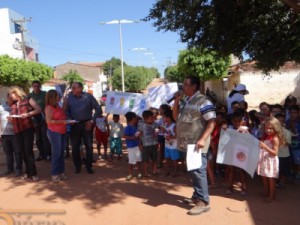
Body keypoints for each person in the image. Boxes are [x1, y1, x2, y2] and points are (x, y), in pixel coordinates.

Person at [173, 76, 216, 216]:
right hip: (187, 144)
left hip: (197, 144)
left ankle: (203, 202)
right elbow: (176, 118)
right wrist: (176, 102)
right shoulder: (187, 101)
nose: (183, 87)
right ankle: (197, 195)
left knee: (198, 171)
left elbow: (212, 121)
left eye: (186, 84)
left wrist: (203, 139)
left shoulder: (203, 101)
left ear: (194, 86)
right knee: (193, 170)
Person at [65, 82, 102, 174]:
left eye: (74, 88)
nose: (72, 90)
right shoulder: (69, 98)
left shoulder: (88, 97)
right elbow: (66, 110)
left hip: (87, 124)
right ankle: (77, 166)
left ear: (80, 88)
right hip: (74, 125)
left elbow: (98, 108)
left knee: (89, 146)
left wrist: (92, 121)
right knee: (75, 147)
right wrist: (69, 119)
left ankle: (89, 166)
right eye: (72, 88)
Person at [8, 86, 42, 181]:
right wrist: (10, 118)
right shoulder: (13, 105)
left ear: (17, 93)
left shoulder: (28, 100)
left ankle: (34, 173)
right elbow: (13, 118)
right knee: (22, 151)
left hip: (27, 128)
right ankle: (28, 172)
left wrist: (28, 114)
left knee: (28, 151)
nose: (11, 97)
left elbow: (38, 109)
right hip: (17, 130)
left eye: (12, 95)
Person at [258, 117, 286, 203]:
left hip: (271, 161)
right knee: (264, 176)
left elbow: (275, 153)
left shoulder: (275, 138)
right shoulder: (266, 136)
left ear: (276, 128)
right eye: (267, 128)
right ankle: (267, 192)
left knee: (271, 179)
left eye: (271, 128)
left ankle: (272, 196)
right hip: (265, 159)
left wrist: (265, 147)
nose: (268, 130)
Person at [45, 90, 70, 183]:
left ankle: (61, 171)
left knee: (61, 153)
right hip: (54, 132)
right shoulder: (49, 108)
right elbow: (48, 121)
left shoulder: (57, 106)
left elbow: (61, 113)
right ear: (52, 98)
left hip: (62, 131)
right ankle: (54, 173)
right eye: (57, 96)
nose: (58, 97)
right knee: (56, 153)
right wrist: (63, 122)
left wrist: (65, 103)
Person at [226, 111, 248, 196]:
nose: (237, 123)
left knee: (242, 171)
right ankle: (230, 187)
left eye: (239, 121)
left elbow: (249, 140)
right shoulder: (229, 129)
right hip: (232, 152)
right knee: (231, 170)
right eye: (235, 121)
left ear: (242, 121)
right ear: (232, 121)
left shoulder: (245, 130)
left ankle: (244, 188)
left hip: (242, 153)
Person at [28, 80, 51, 161]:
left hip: (45, 117)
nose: (36, 88)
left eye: (38, 86)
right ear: (32, 86)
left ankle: (48, 154)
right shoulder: (30, 96)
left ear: (40, 86)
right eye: (35, 86)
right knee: (38, 139)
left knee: (45, 137)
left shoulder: (45, 94)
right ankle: (41, 154)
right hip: (35, 119)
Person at [0, 95, 22, 176]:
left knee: (17, 152)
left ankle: (18, 169)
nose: (12, 99)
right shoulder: (1, 107)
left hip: (15, 133)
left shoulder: (16, 107)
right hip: (4, 134)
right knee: (8, 152)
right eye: (10, 98)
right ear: (7, 98)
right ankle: (10, 169)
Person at [139, 110, 160, 177]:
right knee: (146, 160)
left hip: (154, 144)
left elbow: (160, 128)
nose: (152, 119)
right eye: (151, 118)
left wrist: (160, 130)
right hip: (146, 145)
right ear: (145, 118)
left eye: (153, 118)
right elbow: (139, 135)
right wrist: (140, 144)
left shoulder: (155, 124)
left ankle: (154, 171)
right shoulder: (141, 125)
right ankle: (146, 173)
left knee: (154, 159)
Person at [123, 112, 142, 181]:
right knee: (131, 161)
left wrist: (140, 144)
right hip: (131, 147)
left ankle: (139, 172)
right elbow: (124, 136)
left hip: (136, 146)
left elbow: (139, 137)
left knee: (138, 160)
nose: (136, 119)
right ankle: (130, 174)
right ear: (132, 119)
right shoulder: (128, 127)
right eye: (135, 118)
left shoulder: (136, 127)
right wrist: (132, 137)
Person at [162, 109, 180, 177]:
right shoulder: (165, 124)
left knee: (174, 159)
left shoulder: (174, 125)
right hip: (167, 145)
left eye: (164, 117)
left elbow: (177, 136)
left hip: (173, 146)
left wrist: (171, 137)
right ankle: (168, 170)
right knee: (167, 158)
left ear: (168, 118)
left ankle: (175, 171)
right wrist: (163, 131)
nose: (163, 118)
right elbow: (165, 132)